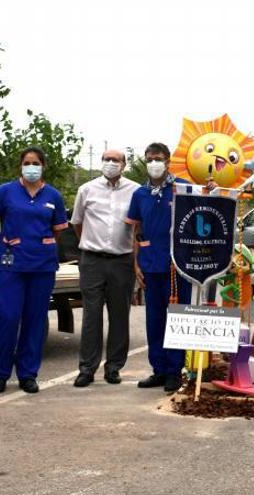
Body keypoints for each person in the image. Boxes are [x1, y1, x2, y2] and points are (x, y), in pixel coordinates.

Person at [0, 147, 69, 393]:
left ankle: (28, 374)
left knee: (35, 320)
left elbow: (58, 229)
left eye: (36, 163)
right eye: (27, 162)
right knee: (7, 317)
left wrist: (39, 243)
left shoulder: (53, 195)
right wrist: (0, 245)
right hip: (10, 266)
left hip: (42, 266)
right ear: (20, 166)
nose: (31, 167)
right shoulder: (5, 192)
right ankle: (0, 374)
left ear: (43, 166)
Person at [125, 143, 192, 392]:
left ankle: (175, 371)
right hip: (150, 265)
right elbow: (136, 229)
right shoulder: (139, 194)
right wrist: (135, 263)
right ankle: (159, 370)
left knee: (176, 318)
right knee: (154, 320)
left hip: (178, 267)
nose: (154, 163)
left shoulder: (182, 188)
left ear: (168, 160)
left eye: (159, 158)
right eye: (150, 159)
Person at [71, 150, 139, 387]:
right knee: (91, 315)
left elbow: (138, 227)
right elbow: (77, 223)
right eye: (107, 159)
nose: (111, 164)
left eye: (116, 160)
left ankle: (113, 367)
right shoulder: (87, 189)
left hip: (122, 261)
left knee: (120, 315)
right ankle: (87, 369)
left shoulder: (135, 190)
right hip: (92, 261)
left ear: (124, 164)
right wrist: (89, 245)